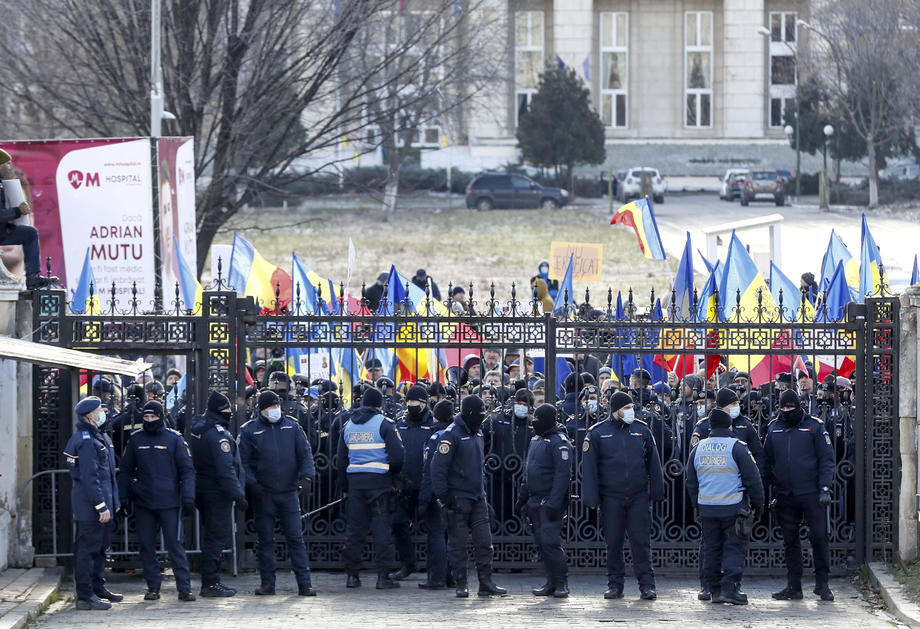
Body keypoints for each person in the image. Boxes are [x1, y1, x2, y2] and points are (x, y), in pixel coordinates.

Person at [581, 391, 664, 600]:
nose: (631, 411)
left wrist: (657, 490)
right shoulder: (597, 432)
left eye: (631, 407)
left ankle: (647, 585)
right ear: (615, 409)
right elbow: (589, 468)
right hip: (611, 497)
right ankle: (615, 585)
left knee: (641, 542)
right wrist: (591, 498)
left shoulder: (641, 430)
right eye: (626, 408)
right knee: (614, 543)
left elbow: (653, 462)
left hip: (638, 496)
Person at [239, 390, 317, 596]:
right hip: (264, 494)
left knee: (296, 539)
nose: (274, 410)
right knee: (265, 540)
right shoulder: (249, 430)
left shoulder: (292, 426)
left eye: (276, 406)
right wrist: (252, 484)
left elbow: (305, 454)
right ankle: (268, 584)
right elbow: (243, 463)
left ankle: (305, 583)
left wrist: (307, 477)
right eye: (270, 407)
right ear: (261, 410)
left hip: (289, 492)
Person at [686, 404, 764, 605]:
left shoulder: (698, 448)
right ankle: (730, 588)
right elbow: (753, 479)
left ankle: (714, 590)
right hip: (733, 508)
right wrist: (758, 505)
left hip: (707, 508)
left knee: (711, 549)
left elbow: (691, 481)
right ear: (730, 426)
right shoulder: (737, 447)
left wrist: (697, 506)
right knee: (733, 548)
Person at [117, 401, 196, 601]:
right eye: (147, 417)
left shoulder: (174, 439)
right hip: (144, 502)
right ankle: (153, 587)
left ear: (161, 417)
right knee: (146, 546)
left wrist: (188, 497)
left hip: (169, 502)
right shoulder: (136, 440)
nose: (150, 421)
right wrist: (123, 496)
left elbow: (187, 470)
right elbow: (125, 470)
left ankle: (184, 588)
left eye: (153, 417)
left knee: (175, 545)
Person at [430, 395, 507, 598]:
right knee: (458, 544)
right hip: (457, 499)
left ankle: (486, 583)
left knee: (484, 543)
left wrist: (483, 494)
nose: (482, 417)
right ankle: (461, 583)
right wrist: (446, 498)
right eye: (479, 413)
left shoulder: (478, 432)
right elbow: (437, 469)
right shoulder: (451, 435)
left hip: (477, 498)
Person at [764, 389, 836, 602]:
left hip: (811, 493)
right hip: (785, 494)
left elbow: (826, 460)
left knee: (819, 538)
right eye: (783, 407)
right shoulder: (774, 427)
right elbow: (766, 462)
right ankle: (794, 586)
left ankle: (822, 585)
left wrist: (825, 488)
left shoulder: (815, 426)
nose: (787, 411)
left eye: (790, 407)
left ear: (799, 406)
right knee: (790, 542)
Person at [337, 387, 405, 589]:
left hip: (355, 484)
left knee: (355, 531)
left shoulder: (348, 426)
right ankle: (383, 577)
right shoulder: (385, 424)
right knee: (381, 530)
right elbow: (398, 456)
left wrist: (345, 487)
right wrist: (392, 473)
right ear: (379, 405)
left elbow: (341, 461)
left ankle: (352, 576)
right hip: (380, 483)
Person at [63, 396, 121, 611]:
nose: (102, 412)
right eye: (99, 410)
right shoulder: (87, 440)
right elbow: (90, 477)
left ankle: (98, 588)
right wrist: (100, 506)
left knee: (100, 550)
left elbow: (108, 475)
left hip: (102, 504)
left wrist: (112, 501)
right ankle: (86, 597)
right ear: (90, 415)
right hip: (91, 508)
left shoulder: (98, 436)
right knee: (87, 551)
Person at [189, 391, 246, 598]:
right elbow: (226, 470)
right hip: (217, 492)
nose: (229, 413)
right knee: (216, 538)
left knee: (210, 536)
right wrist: (238, 495)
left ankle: (210, 581)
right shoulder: (218, 434)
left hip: (201, 488)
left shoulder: (199, 428)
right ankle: (210, 583)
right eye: (226, 410)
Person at [518, 404, 573, 597]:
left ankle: (561, 583)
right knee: (541, 543)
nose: (534, 423)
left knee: (551, 543)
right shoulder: (536, 440)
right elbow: (529, 470)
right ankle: (550, 582)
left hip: (549, 502)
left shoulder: (560, 442)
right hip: (535, 500)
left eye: (538, 420)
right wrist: (522, 497)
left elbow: (562, 475)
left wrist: (554, 502)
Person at [390, 385, 434, 580]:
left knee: (434, 527)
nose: (413, 405)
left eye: (417, 402)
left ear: (425, 403)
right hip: (404, 484)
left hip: (428, 483)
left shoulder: (433, 423)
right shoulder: (400, 423)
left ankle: (437, 568)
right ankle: (408, 564)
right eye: (409, 401)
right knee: (398, 523)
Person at [0, 149, 58, 289]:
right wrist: (18, 211)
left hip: (3, 231)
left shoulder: (1, 182)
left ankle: (33, 278)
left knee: (30, 233)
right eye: (7, 163)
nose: (9, 166)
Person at [418, 400, 455, 589]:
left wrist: (424, 499)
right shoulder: (456, 434)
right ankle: (451, 575)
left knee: (437, 535)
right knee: (451, 535)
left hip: (437, 494)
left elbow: (429, 471)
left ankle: (438, 577)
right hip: (455, 493)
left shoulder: (435, 438)